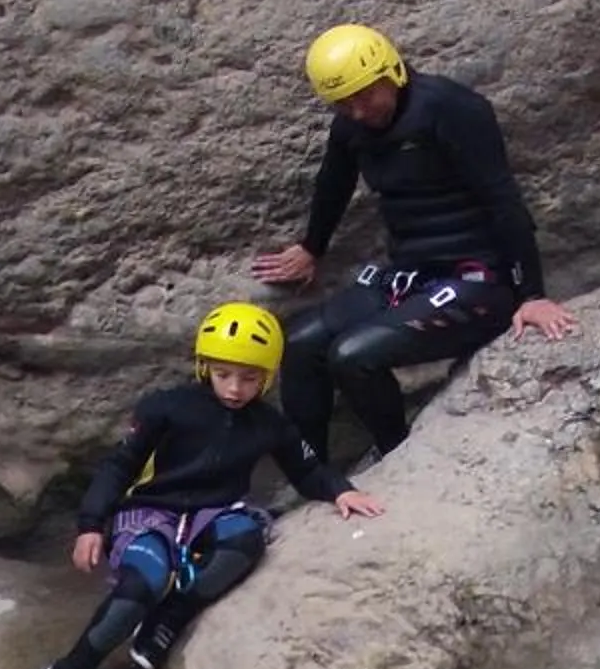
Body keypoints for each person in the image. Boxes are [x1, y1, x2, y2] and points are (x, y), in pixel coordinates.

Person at [37, 301, 384, 669]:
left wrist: (341, 491)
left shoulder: (269, 424)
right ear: (204, 367)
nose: (236, 389)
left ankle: (171, 616)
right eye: (224, 375)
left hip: (215, 511)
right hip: (152, 509)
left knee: (245, 538)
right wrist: (90, 523)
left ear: (268, 376)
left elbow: (306, 469)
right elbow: (119, 465)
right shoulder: (166, 408)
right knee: (142, 584)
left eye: (249, 378)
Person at [247, 24, 579, 464]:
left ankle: (396, 458)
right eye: (344, 103)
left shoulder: (450, 107)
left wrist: (532, 294)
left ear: (392, 72)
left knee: (352, 356)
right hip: (412, 274)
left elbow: (504, 200)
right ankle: (312, 475)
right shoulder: (351, 124)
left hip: (478, 279)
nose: (359, 111)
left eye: (365, 96)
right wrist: (312, 248)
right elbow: (334, 182)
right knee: (304, 342)